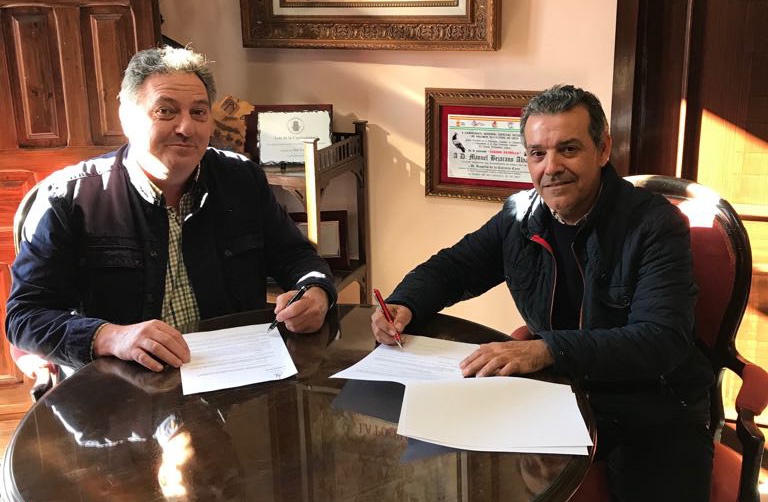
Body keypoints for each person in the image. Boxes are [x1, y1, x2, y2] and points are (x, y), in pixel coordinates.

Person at [371, 85, 714, 501]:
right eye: (537, 153)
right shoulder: (520, 216)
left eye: (568, 149)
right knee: (462, 468)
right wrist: (404, 303)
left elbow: (661, 340)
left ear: (603, 149)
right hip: (558, 392)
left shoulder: (655, 225)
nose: (551, 168)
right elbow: (453, 267)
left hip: (653, 405)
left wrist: (546, 349)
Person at [6, 46, 336, 374]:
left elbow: (296, 256)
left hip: (233, 376)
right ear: (126, 117)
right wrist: (111, 337)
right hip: (121, 389)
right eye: (166, 111)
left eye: (199, 112)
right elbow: (25, 316)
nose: (186, 128)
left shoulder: (242, 179)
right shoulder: (69, 197)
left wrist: (316, 292)